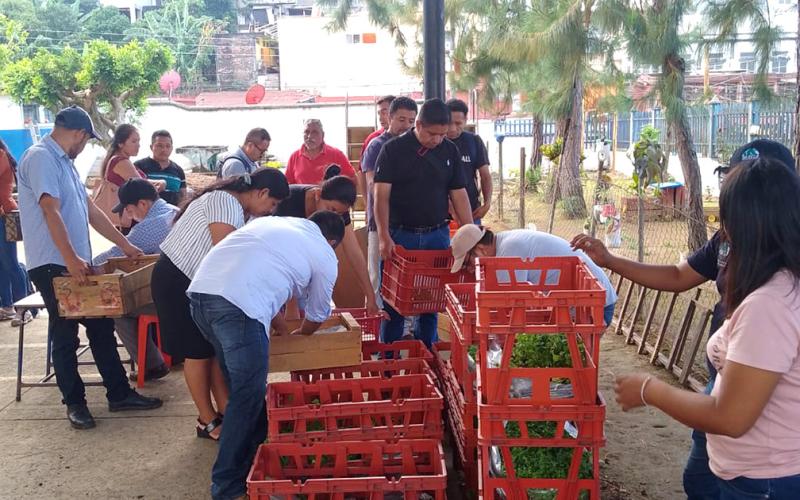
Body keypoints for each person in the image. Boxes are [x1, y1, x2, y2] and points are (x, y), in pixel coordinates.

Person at [571, 138, 798, 500]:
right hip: (746, 452)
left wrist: (649, 389)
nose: (724, 231)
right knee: (699, 478)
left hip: (763, 479)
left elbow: (730, 417)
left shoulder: (770, 303)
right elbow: (679, 275)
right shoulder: (773, 273)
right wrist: (611, 260)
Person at [17, 105, 162, 430]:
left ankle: (119, 393)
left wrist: (126, 245)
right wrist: (69, 257)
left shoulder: (65, 164)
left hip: (75, 260)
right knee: (65, 332)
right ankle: (75, 403)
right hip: (53, 262)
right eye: (85, 141)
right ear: (79, 134)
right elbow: (49, 211)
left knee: (100, 325)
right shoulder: (40, 157)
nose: (84, 147)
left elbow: (91, 212)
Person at [188, 212, 344, 500]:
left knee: (243, 388)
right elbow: (318, 313)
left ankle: (259, 458)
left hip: (201, 295)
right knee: (246, 396)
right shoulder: (323, 252)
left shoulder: (275, 224)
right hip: (238, 307)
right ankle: (227, 486)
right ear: (332, 241)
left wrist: (284, 330)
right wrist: (303, 335)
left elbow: (260, 278)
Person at [152, 168, 289, 441]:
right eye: (272, 204)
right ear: (261, 192)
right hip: (177, 280)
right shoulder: (226, 202)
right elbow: (226, 256)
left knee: (213, 350)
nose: (270, 211)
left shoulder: (239, 208)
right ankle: (207, 419)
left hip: (198, 283)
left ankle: (225, 409)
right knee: (198, 354)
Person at [374, 98, 473, 347]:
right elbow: (381, 196)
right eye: (432, 134)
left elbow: (459, 193)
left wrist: (472, 233)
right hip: (400, 235)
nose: (437, 140)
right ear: (418, 124)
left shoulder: (449, 150)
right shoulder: (392, 150)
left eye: (442, 134)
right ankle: (389, 361)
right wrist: (384, 236)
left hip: (437, 234)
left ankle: (428, 356)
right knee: (394, 301)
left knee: (431, 301)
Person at [92, 179, 177, 381]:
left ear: (143, 204)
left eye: (129, 210)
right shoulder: (172, 211)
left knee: (121, 309)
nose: (129, 217)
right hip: (186, 288)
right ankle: (153, 362)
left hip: (176, 297)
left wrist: (84, 265)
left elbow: (115, 255)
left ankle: (152, 365)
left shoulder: (151, 225)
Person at [450, 225, 617, 326]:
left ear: (480, 249)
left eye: (467, 262)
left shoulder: (509, 251)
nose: (470, 269)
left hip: (595, 307)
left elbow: (514, 306)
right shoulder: (505, 241)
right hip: (584, 303)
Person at [275, 168, 379, 314]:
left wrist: (370, 296)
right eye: (331, 209)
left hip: (301, 271)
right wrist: (291, 305)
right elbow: (282, 255)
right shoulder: (287, 202)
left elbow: (354, 253)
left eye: (340, 213)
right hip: (274, 266)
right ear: (317, 194)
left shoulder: (338, 212)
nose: (334, 216)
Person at [360, 96, 418, 306]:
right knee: (376, 275)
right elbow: (372, 185)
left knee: (406, 276)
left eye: (411, 121)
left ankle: (406, 330)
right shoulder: (376, 146)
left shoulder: (415, 147)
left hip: (408, 223)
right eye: (401, 119)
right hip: (380, 222)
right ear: (389, 117)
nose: (406, 125)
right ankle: (374, 323)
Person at [98, 124, 166, 227]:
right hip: (129, 217)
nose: (138, 145)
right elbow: (143, 186)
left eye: (138, 141)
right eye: (134, 141)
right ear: (121, 143)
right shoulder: (121, 162)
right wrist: (162, 182)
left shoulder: (118, 160)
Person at [0, 139, 33, 325]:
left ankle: (24, 308)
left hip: (4, 215)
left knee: (10, 262)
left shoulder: (1, 155)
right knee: (2, 264)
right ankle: (7, 305)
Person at [446, 98, 492, 223]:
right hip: (442, 216)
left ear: (465, 121)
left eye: (458, 123)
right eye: (449, 123)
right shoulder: (436, 143)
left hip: (471, 211)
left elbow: (485, 175)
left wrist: (487, 204)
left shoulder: (474, 141)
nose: (453, 128)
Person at [285, 119, 356, 184]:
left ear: (323, 135)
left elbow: (353, 179)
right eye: (306, 132)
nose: (309, 136)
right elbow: (288, 185)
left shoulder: (336, 154)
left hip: (329, 197)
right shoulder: (294, 157)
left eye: (314, 132)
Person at [134, 129, 187, 206]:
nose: (164, 149)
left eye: (167, 146)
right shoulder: (139, 166)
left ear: (172, 148)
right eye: (159, 146)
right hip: (146, 216)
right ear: (151, 147)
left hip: (173, 216)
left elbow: (183, 197)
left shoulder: (179, 171)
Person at [359, 95, 395, 197]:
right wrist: (366, 203)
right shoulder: (373, 140)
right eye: (379, 113)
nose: (380, 117)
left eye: (384, 112)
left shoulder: (410, 139)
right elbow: (362, 172)